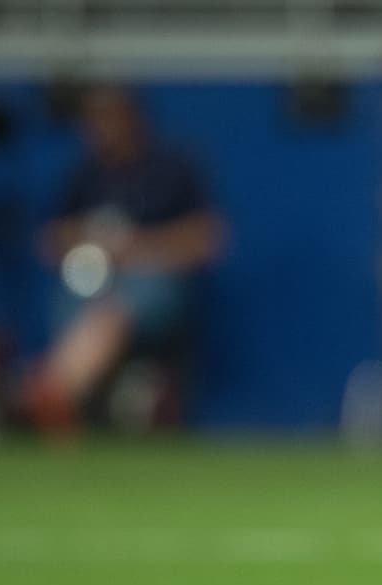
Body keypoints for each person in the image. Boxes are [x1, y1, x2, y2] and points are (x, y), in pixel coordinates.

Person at [24, 83, 224, 436]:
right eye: (93, 119)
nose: (100, 128)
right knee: (80, 303)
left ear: (133, 118)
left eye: (109, 117)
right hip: (92, 281)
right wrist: (90, 240)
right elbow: (50, 240)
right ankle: (62, 392)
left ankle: (54, 390)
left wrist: (135, 249)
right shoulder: (85, 174)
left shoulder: (170, 169)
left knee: (113, 311)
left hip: (154, 284)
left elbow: (207, 239)